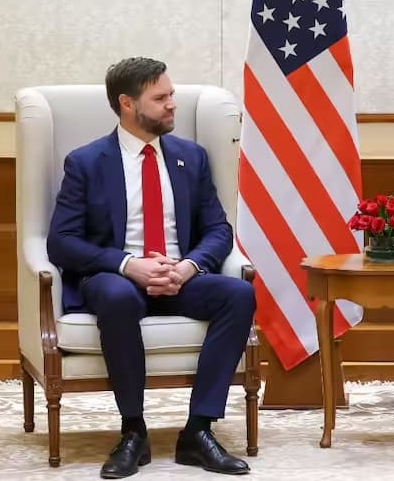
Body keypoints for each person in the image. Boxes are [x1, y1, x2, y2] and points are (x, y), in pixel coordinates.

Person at [47, 57, 256, 478]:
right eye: (160, 98)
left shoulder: (190, 158)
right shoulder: (86, 162)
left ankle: (198, 431)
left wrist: (190, 267)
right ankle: (133, 431)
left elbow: (218, 229)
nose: (172, 105)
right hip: (117, 280)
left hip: (180, 277)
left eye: (172, 95)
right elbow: (62, 241)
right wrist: (128, 265)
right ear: (127, 104)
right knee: (117, 296)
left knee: (239, 293)